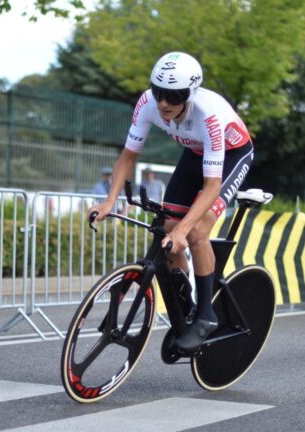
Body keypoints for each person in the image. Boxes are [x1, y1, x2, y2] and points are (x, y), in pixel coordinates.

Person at [88, 52, 254, 351]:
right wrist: (109, 201)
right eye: (158, 92)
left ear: (190, 94)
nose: (164, 103)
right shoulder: (147, 103)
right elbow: (128, 156)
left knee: (196, 231)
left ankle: (206, 316)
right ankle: (185, 307)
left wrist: (183, 230)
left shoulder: (208, 115)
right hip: (195, 153)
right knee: (167, 229)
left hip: (232, 154)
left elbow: (212, 186)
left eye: (174, 96)